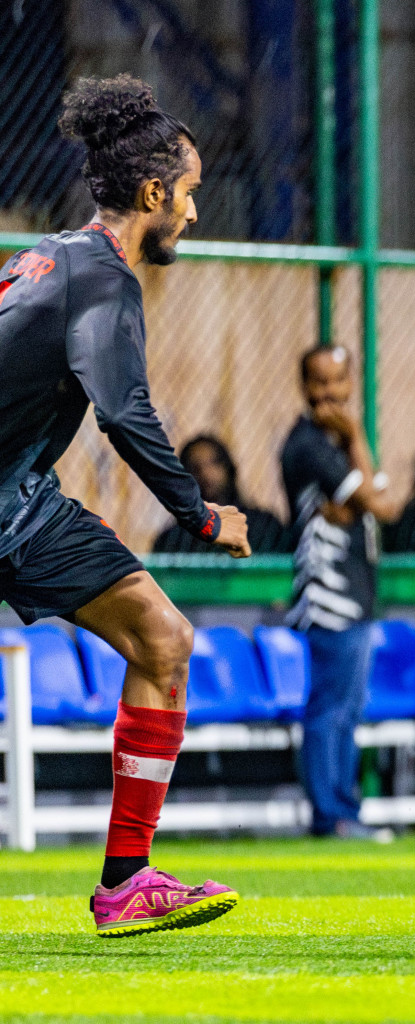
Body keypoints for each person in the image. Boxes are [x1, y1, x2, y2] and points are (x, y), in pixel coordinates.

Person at [0, 76, 249, 936]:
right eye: (188, 195)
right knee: (165, 639)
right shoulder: (104, 280)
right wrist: (203, 514)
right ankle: (126, 877)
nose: (191, 213)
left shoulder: (42, 257)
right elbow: (124, 410)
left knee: (162, 637)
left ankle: (129, 878)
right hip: (10, 507)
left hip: (20, 506)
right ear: (152, 194)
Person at [281, 345, 394, 842]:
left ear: (351, 384)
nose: (329, 393)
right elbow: (380, 503)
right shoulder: (309, 445)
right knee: (330, 710)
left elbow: (373, 502)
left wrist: (363, 489)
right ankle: (332, 814)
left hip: (355, 595)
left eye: (337, 382)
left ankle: (344, 808)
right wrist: (358, 440)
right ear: (304, 388)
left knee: (347, 710)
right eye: (318, 383)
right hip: (329, 597)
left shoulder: (333, 446)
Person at [152, 435, 288, 554]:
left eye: (214, 463)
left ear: (228, 468)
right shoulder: (173, 539)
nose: (206, 473)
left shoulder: (263, 525)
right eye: (195, 467)